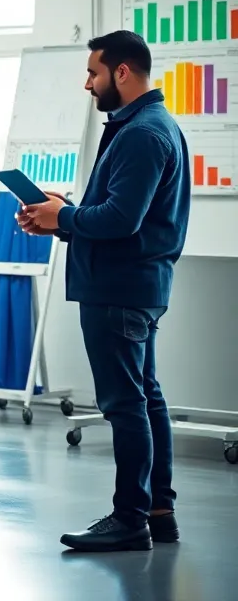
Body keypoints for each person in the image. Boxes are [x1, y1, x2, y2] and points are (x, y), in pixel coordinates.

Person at [16, 30, 189, 552]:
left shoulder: (141, 133)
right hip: (133, 286)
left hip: (118, 290)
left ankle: (130, 518)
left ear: (121, 72)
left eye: (93, 72)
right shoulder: (144, 127)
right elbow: (116, 210)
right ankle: (158, 509)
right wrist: (61, 216)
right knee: (144, 397)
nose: (86, 83)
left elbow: (120, 219)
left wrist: (63, 215)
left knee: (124, 404)